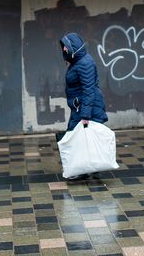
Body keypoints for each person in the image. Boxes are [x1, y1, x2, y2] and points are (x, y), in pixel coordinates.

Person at [59, 32, 108, 179]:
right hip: (81, 106)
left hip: (87, 107)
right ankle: (88, 169)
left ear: (73, 47)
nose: (64, 50)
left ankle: (83, 170)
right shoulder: (78, 62)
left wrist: (85, 115)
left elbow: (88, 90)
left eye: (65, 47)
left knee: (74, 136)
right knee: (81, 137)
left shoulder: (85, 63)